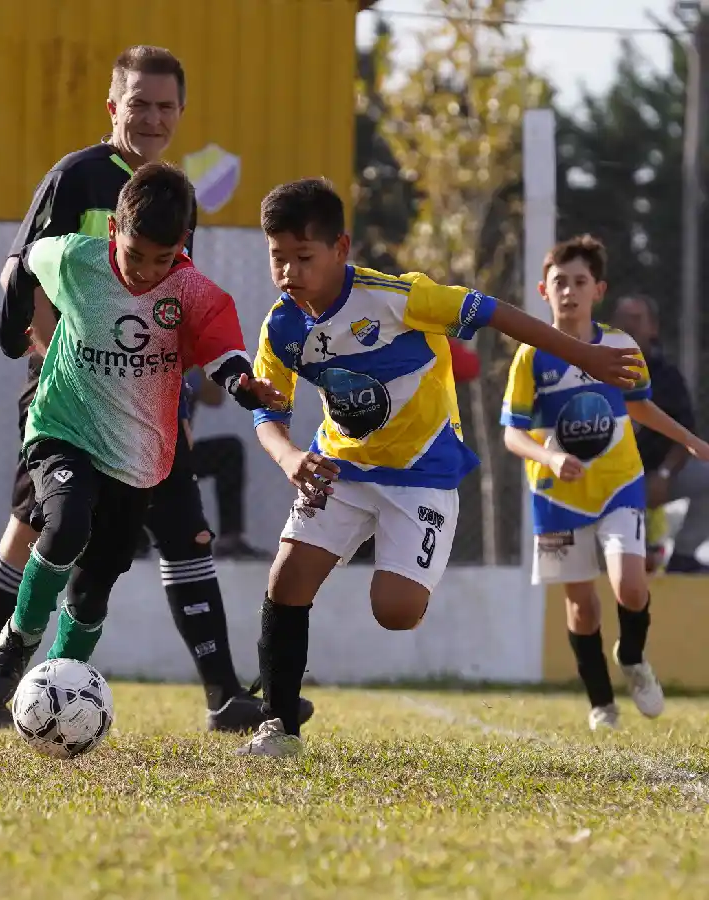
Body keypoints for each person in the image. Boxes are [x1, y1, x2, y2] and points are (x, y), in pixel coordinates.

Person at [0, 45, 312, 733]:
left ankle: (220, 696)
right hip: (68, 395)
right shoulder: (77, 178)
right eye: (138, 103)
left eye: (164, 105)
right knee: (44, 527)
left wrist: (207, 386)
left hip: (148, 405)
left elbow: (183, 307)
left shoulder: (173, 199)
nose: (151, 117)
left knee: (167, 539)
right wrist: (45, 346)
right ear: (113, 106)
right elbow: (23, 269)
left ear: (180, 113)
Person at [232, 180, 645, 758]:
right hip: (340, 468)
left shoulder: (399, 297)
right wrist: (290, 456)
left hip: (422, 473)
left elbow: (498, 313)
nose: (289, 271)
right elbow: (267, 412)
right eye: (277, 257)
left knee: (396, 612)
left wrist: (586, 356)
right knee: (287, 578)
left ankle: (418, 551)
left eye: (304, 257)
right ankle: (279, 726)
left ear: (340, 248)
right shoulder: (282, 327)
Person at [0, 162, 286, 707]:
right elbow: (28, 256)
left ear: (183, 245)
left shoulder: (193, 292)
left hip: (139, 458)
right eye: (134, 254)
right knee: (66, 522)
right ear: (114, 231)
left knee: (95, 584)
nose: (145, 271)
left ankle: (61, 684)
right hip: (63, 429)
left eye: (162, 260)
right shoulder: (76, 258)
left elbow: (223, 352)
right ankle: (19, 637)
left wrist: (244, 384)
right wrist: (13, 319)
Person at [502, 239, 709, 730]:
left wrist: (690, 440)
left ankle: (633, 658)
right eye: (559, 283)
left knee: (631, 588)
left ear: (598, 290)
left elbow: (638, 405)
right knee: (581, 605)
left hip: (619, 484)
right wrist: (550, 456)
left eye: (579, 282)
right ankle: (602, 704)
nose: (569, 292)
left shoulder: (618, 345)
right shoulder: (532, 357)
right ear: (543, 291)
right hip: (557, 498)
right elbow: (512, 433)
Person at [611, 294, 709, 574]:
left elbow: (686, 434)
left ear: (652, 329)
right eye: (622, 320)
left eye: (636, 320)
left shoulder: (667, 377)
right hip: (606, 483)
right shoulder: (592, 368)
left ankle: (684, 557)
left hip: (656, 478)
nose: (628, 326)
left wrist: (664, 474)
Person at [177, 368, 270, 559]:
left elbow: (215, 399)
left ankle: (230, 541)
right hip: (142, 456)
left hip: (179, 456)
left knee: (229, 451)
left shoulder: (191, 363)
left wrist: (196, 369)